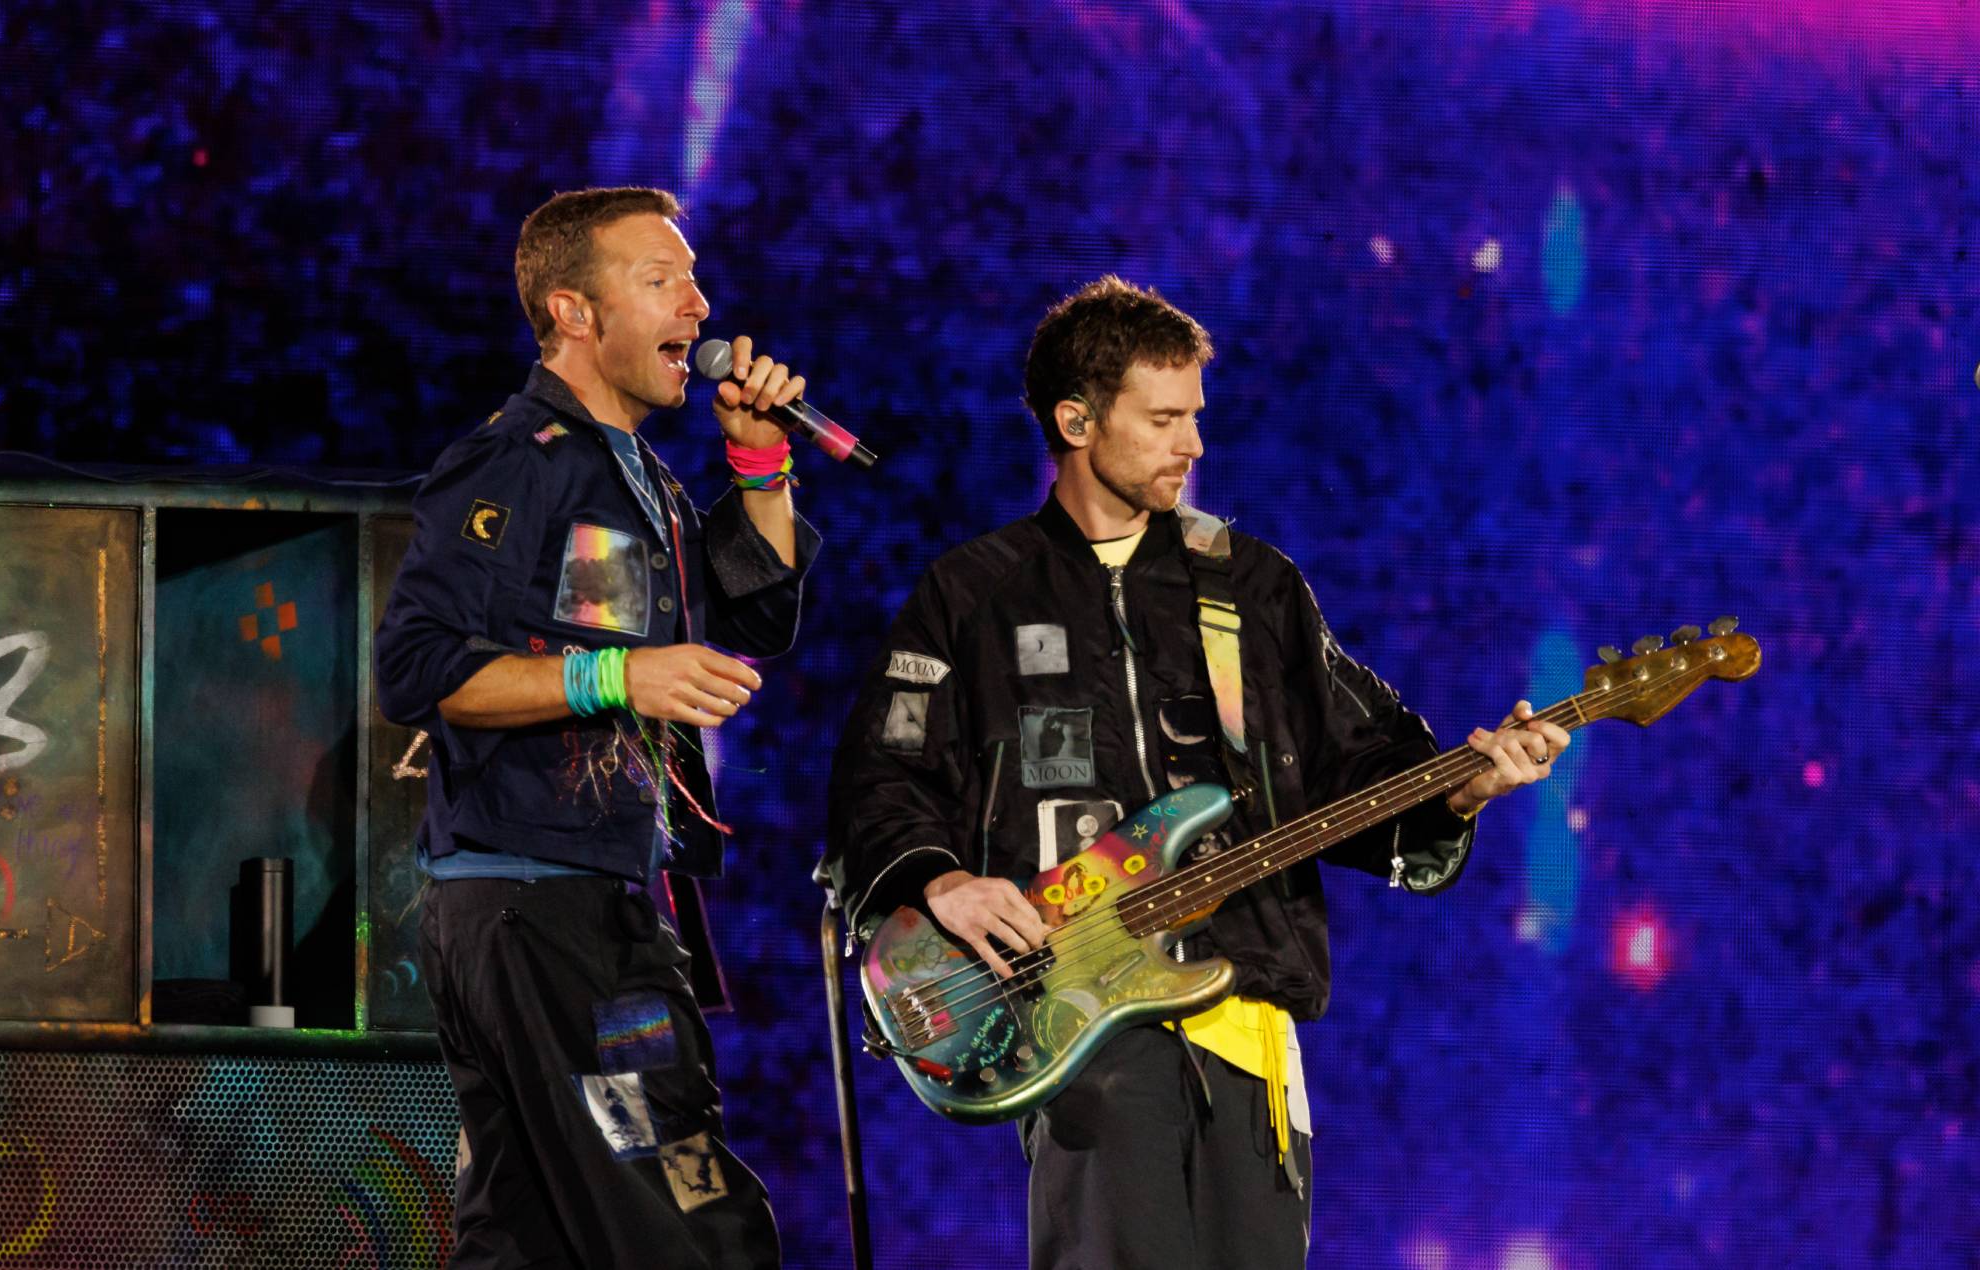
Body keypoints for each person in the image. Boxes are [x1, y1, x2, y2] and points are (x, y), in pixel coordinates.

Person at [821, 276, 1568, 1268]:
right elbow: (882, 778)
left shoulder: (1251, 585)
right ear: (1076, 420)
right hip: (1079, 1020)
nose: (1193, 445)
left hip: (1247, 1009)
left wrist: (1465, 783)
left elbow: (1361, 761)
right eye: (1163, 418)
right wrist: (944, 882)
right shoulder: (971, 594)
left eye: (1196, 418)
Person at [375, 186, 819, 1269]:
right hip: (541, 906)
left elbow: (759, 612)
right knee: (693, 1215)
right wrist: (618, 671)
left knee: (524, 1239)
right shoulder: (515, 460)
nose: (699, 304)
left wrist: (759, 462)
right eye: (660, 280)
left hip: (579, 898)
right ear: (573, 312)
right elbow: (419, 667)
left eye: (693, 277)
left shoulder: (642, 477)